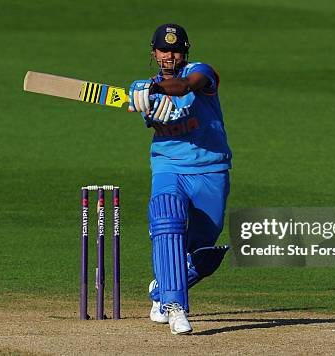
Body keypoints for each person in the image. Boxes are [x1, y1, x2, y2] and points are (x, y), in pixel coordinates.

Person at [128, 24, 232, 335]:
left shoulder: (202, 73)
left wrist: (156, 91)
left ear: (184, 52)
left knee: (202, 252)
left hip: (211, 170)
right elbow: (151, 115)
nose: (169, 55)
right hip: (169, 167)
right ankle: (175, 307)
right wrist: (142, 98)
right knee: (166, 218)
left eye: (175, 50)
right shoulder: (143, 88)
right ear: (154, 52)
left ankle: (161, 291)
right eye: (163, 50)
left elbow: (186, 86)